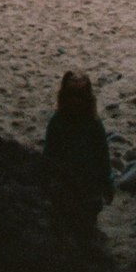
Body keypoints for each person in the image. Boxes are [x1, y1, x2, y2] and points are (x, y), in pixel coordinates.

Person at [43, 71, 114, 238]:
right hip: (65, 182)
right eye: (71, 96)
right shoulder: (57, 122)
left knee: (88, 222)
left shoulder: (94, 123)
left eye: (80, 96)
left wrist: (108, 184)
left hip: (90, 184)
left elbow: (103, 155)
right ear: (64, 97)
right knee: (66, 222)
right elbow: (48, 153)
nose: (76, 101)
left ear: (87, 98)